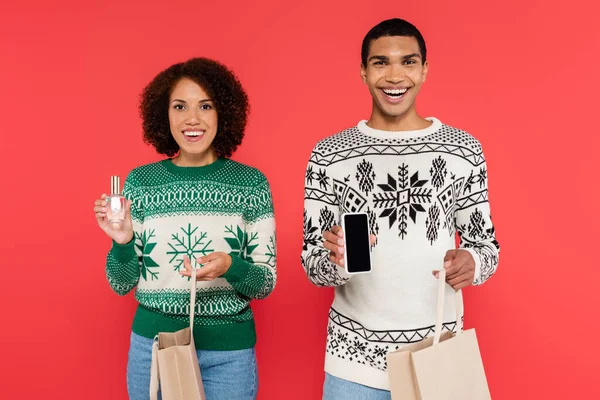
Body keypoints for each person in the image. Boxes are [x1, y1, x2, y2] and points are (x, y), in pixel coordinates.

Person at [301, 18, 499, 399]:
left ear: (424, 69)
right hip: (353, 366)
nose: (395, 76)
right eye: (380, 63)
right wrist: (336, 262)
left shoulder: (463, 150)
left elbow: (487, 247)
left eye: (408, 62)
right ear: (362, 71)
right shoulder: (328, 155)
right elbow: (313, 265)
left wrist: (473, 262)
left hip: (438, 355)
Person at [93, 57, 276, 400]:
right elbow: (121, 283)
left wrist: (230, 266)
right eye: (180, 106)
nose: (192, 118)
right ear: (165, 115)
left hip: (228, 356)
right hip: (154, 349)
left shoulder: (251, 184)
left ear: (223, 112)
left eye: (205, 105)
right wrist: (122, 242)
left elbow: (264, 283)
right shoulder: (141, 182)